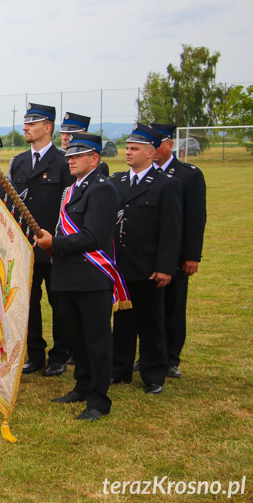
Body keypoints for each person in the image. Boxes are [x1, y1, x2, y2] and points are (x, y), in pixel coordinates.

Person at [36, 134, 120, 422]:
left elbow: (93, 237)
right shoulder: (72, 189)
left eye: (77, 155)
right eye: (69, 155)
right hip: (67, 276)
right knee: (76, 338)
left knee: (96, 341)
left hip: (91, 277)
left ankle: (99, 400)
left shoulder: (102, 189)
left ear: (94, 159)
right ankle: (82, 386)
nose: (70, 160)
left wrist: (53, 245)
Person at [109, 123, 182, 394]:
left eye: (135, 149)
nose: (128, 153)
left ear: (151, 153)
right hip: (122, 266)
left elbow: (171, 229)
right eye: (127, 148)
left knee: (152, 322)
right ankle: (119, 370)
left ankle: (153, 374)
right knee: (123, 321)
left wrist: (165, 267)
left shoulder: (166, 185)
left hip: (150, 267)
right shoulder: (117, 182)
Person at [8, 103, 75, 377]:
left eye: (32, 123)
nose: (25, 127)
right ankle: (34, 354)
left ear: (48, 128)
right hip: (25, 247)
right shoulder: (18, 162)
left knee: (60, 304)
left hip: (54, 247)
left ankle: (60, 355)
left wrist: (58, 242)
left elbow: (70, 206)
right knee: (28, 304)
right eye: (25, 123)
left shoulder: (63, 163)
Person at [150, 123, 207, 378]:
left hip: (177, 255)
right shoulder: (145, 173)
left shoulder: (188, 175)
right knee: (151, 308)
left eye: (156, 143)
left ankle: (171, 358)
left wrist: (192, 256)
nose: (152, 149)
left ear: (170, 145)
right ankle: (152, 355)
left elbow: (195, 219)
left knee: (173, 307)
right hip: (148, 255)